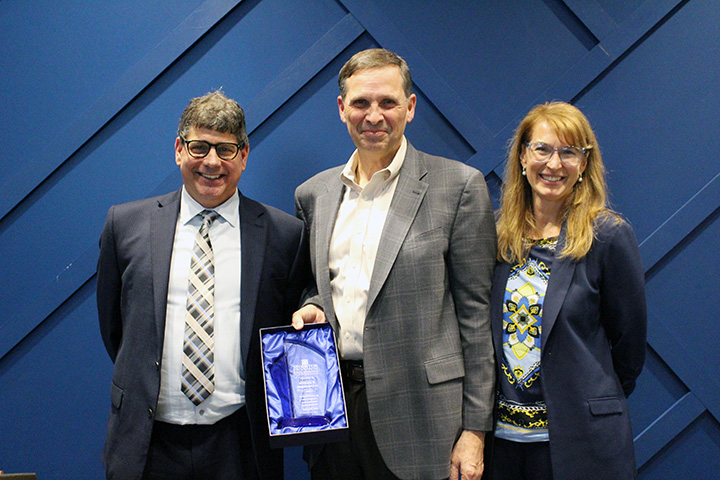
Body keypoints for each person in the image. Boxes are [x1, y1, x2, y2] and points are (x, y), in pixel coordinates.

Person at [292, 48, 497, 480]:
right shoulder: (314, 194)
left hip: (425, 422)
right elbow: (316, 285)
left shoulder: (457, 186)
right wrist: (312, 304)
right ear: (341, 108)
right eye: (361, 103)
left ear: (410, 107)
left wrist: (475, 431)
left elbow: (476, 318)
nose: (374, 115)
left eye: (387, 102)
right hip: (333, 414)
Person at [97, 90, 310, 479]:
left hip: (240, 443)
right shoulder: (124, 225)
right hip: (147, 443)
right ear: (179, 150)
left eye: (226, 150)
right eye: (199, 147)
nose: (211, 162)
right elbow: (116, 330)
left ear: (244, 157)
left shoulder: (284, 235)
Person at [486, 101, 647, 479]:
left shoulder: (607, 236)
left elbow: (630, 348)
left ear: (585, 164)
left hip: (581, 440)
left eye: (569, 152)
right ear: (523, 157)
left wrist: (584, 397)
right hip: (503, 445)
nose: (554, 164)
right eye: (542, 149)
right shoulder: (497, 237)